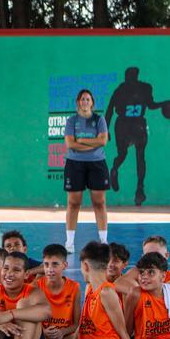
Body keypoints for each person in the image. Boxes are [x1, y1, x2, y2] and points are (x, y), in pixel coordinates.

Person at [30, 242, 154, 339]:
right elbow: (81, 327)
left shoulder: (107, 291)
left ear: (85, 266)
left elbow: (122, 332)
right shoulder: (89, 288)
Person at [105, 67, 170, 206]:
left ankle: (140, 188)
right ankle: (115, 169)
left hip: (137, 123)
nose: (130, 77)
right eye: (128, 75)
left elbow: (150, 105)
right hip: (123, 124)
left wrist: (163, 104)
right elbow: (109, 109)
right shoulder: (120, 90)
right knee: (123, 154)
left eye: (132, 75)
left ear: (135, 76)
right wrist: (105, 129)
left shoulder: (144, 88)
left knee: (140, 155)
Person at [63, 89, 110, 254]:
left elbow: (103, 141)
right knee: (73, 203)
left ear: (92, 103)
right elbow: (70, 144)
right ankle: (69, 243)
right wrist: (92, 143)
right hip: (75, 164)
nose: (85, 102)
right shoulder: (71, 121)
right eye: (82, 99)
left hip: (97, 164)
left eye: (88, 99)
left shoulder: (99, 119)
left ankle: (103, 241)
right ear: (78, 102)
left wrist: (82, 140)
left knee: (99, 203)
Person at [36, 244, 80, 339]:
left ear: (65, 265)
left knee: (81, 335)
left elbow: (77, 324)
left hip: (65, 334)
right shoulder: (36, 286)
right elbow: (30, 319)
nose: (50, 269)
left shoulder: (74, 287)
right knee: (30, 334)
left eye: (55, 264)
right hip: (44, 334)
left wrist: (62, 331)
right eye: (46, 265)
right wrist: (43, 331)